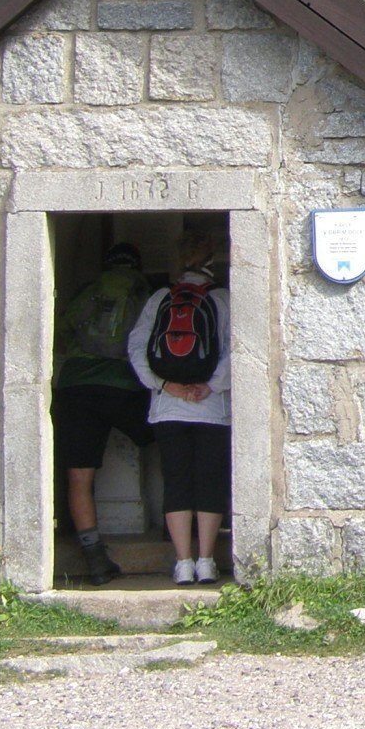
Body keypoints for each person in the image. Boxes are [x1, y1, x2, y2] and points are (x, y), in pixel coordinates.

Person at [127, 228, 232, 586]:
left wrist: (163, 384)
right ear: (210, 261)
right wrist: (210, 386)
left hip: (167, 408)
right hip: (212, 409)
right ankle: (206, 562)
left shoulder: (160, 298)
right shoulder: (221, 299)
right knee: (209, 482)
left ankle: (182, 563)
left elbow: (137, 347)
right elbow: (235, 351)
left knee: (177, 482)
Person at [52, 242, 152, 585]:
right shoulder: (143, 289)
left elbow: (61, 337)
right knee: (169, 443)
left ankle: (95, 559)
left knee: (79, 476)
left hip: (75, 387)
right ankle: (181, 534)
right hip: (124, 386)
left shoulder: (87, 291)